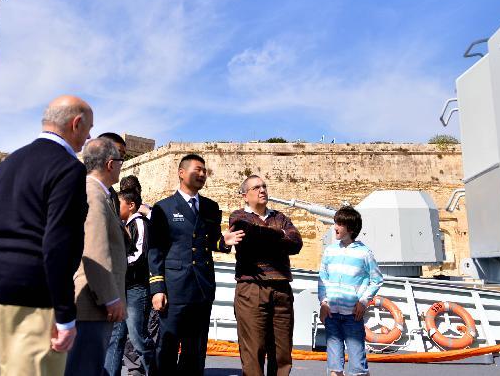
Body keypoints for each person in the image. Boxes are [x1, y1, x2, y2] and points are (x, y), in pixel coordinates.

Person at [0, 95, 93, 376]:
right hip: (33, 295)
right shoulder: (69, 168)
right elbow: (58, 245)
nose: (89, 136)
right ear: (76, 123)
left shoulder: (8, 164)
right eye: (88, 128)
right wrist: (64, 314)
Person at [148, 153, 245, 376]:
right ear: (181, 173)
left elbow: (211, 241)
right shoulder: (163, 208)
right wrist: (157, 288)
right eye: (197, 169)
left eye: (204, 171)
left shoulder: (211, 207)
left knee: (196, 348)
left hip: (201, 287)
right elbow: (155, 251)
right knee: (168, 345)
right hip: (174, 287)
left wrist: (224, 242)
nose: (202, 174)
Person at [228, 175, 302, 376]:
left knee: (282, 350)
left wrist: (266, 236)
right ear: (245, 195)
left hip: (281, 289)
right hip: (252, 288)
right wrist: (280, 236)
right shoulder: (238, 217)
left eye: (264, 186)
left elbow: (296, 242)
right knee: (254, 348)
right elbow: (249, 239)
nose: (262, 190)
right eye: (256, 187)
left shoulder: (281, 217)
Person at [65, 138, 128, 375]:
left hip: (92, 301)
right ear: (111, 164)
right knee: (84, 368)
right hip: (92, 305)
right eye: (121, 161)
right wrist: (110, 298)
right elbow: (94, 248)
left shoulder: (94, 193)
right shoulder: (94, 194)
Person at [317, 206, 384, 376]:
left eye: (339, 224)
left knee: (357, 365)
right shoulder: (330, 251)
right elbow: (323, 279)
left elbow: (376, 279)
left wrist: (363, 301)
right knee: (334, 366)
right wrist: (323, 302)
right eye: (335, 223)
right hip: (332, 314)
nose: (335, 227)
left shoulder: (364, 253)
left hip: (353, 316)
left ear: (351, 228)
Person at [104, 188, 155, 376]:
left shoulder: (139, 223)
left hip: (136, 289)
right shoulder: (125, 225)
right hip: (123, 287)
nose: (117, 209)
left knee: (138, 337)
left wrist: (117, 263)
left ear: (131, 205)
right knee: (116, 337)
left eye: (120, 204)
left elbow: (139, 255)